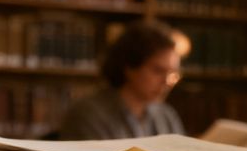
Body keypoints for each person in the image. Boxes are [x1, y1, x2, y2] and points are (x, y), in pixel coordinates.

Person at [57, 21, 187, 140]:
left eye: (173, 73)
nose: (167, 81)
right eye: (158, 71)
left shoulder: (167, 116)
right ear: (130, 67)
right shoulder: (88, 116)